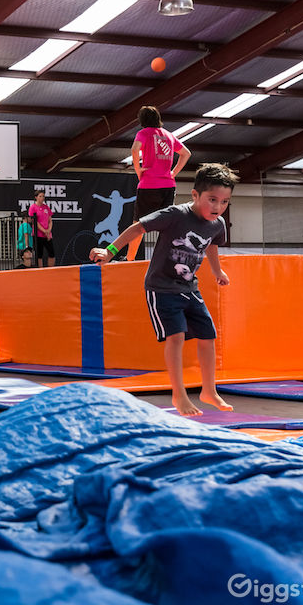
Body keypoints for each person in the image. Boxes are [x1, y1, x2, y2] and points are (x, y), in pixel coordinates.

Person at [89, 163, 238, 417]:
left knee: (208, 336)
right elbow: (138, 227)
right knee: (176, 336)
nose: (218, 207)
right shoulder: (175, 215)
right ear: (195, 195)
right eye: (212, 200)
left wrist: (216, 271)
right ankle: (179, 395)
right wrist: (110, 251)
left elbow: (211, 245)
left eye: (224, 202)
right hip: (161, 287)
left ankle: (209, 390)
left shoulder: (217, 224)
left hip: (189, 288)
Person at [127, 105, 191, 261]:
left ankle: (129, 259)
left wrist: (138, 169)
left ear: (142, 120)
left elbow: (135, 149)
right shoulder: (168, 135)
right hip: (168, 186)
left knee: (138, 224)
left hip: (148, 185)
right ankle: (166, 259)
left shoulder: (143, 133)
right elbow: (186, 153)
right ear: (158, 119)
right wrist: (173, 173)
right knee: (168, 225)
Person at [28, 190, 54, 267]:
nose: (42, 198)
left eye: (43, 196)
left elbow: (50, 220)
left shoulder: (46, 207)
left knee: (51, 252)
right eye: (40, 196)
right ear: (36, 197)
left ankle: (51, 270)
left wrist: (48, 231)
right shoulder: (33, 207)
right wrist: (44, 231)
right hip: (38, 234)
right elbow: (34, 221)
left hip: (48, 234)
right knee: (39, 254)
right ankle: (40, 270)